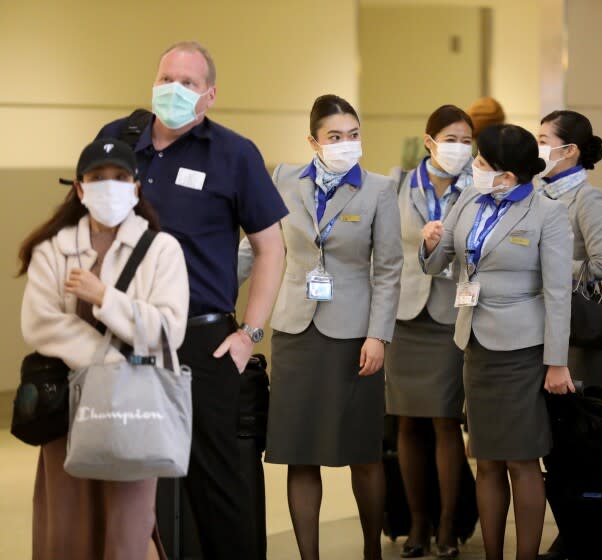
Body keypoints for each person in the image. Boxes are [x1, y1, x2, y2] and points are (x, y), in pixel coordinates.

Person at [97, 41, 288, 559]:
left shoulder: (233, 153)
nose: (174, 90)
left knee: (217, 483)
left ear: (209, 94)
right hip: (125, 333)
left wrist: (249, 334)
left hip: (202, 339)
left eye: (187, 82)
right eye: (166, 78)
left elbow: (271, 250)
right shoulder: (117, 141)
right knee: (128, 478)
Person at [241, 94, 402, 560]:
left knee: (363, 452)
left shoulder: (378, 189)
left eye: (353, 135)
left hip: (355, 336)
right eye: (335, 137)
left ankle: (372, 549)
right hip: (295, 330)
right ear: (313, 140)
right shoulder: (283, 180)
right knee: (299, 450)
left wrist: (379, 335)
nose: (346, 144)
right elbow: (257, 247)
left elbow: (389, 268)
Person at [19, 138, 189, 560]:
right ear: (79, 188)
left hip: (135, 407)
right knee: (69, 526)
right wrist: (109, 363)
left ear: (135, 188)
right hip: (67, 407)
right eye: (97, 178)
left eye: (119, 178)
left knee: (129, 527)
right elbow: (41, 323)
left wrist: (104, 298)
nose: (108, 187)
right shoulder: (52, 249)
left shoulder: (160, 249)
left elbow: (169, 330)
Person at [422, 124, 574, 560]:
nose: (474, 168)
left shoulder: (548, 212)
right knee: (486, 460)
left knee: (522, 460)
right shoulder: (469, 198)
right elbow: (439, 262)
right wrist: (428, 243)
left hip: (524, 349)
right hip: (475, 343)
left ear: (508, 175)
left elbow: (558, 292)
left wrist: (556, 361)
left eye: (483, 163)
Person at [384, 105, 473, 558]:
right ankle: (416, 520)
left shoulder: (478, 186)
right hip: (403, 313)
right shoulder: (398, 184)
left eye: (466, 139)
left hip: (451, 313)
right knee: (406, 421)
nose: (459, 147)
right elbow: (382, 249)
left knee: (445, 420)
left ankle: (447, 523)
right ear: (429, 141)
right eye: (451, 138)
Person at [536, 109, 602, 394]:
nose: (538, 149)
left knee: (578, 419)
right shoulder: (537, 194)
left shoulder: (586, 197)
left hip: (576, 322)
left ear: (569, 150)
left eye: (544, 141)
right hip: (539, 320)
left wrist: (549, 263)